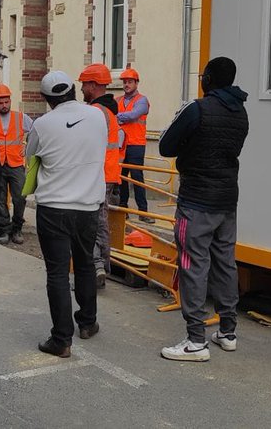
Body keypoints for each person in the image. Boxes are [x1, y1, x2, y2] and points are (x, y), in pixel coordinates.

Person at [157, 57, 250, 362]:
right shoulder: (241, 112)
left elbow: (166, 146)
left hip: (196, 201)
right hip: (227, 200)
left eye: (203, 76)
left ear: (208, 78)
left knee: (193, 264)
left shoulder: (198, 108)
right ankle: (227, 331)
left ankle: (196, 340)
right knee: (225, 262)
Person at [27, 71, 107, 358]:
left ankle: (62, 339)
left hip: (53, 208)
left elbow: (30, 156)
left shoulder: (43, 124)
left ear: (47, 99)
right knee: (85, 264)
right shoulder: (98, 116)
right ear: (73, 90)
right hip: (88, 207)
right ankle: (87, 323)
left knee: (58, 272)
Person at [77, 63, 123, 288]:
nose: (82, 88)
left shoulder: (95, 112)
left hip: (97, 173)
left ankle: (96, 267)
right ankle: (101, 265)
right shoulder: (110, 111)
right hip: (108, 172)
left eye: (84, 84)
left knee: (91, 222)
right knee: (101, 220)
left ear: (94, 85)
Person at [0, 84, 33, 246]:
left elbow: (36, 132)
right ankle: (4, 229)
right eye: (1, 103)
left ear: (10, 101)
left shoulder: (20, 117)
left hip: (15, 163)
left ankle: (17, 227)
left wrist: (27, 146)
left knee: (20, 197)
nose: (4, 105)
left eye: (6, 102)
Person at [116, 67, 154, 223]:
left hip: (136, 144)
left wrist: (118, 116)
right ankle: (123, 209)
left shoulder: (142, 100)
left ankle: (143, 212)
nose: (126, 84)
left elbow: (133, 115)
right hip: (120, 145)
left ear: (136, 83)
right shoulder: (117, 100)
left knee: (137, 178)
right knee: (121, 178)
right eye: (125, 82)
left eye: (130, 82)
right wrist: (121, 117)